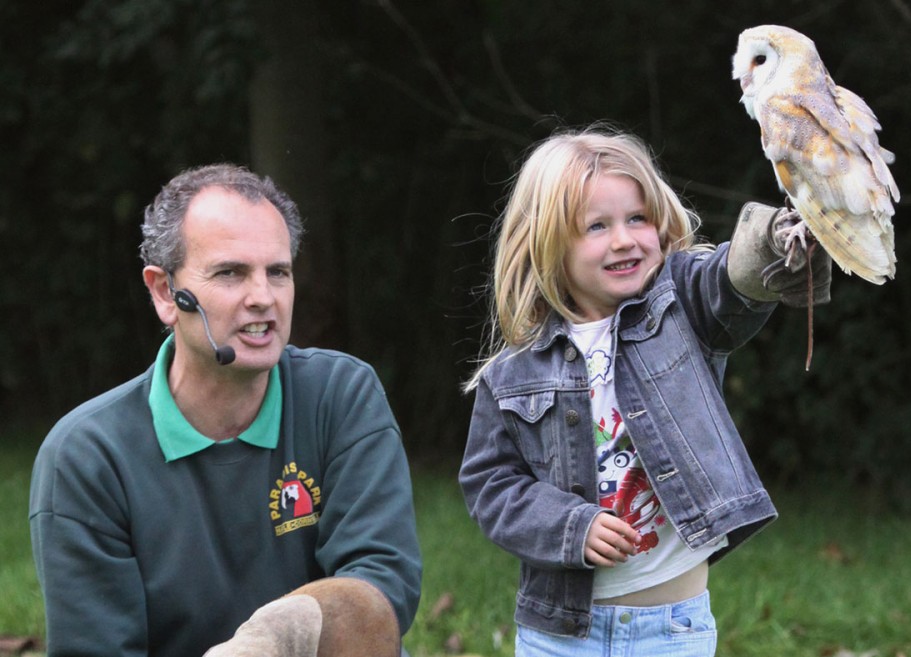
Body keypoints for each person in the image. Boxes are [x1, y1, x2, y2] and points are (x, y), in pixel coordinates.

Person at [459, 127, 830, 656]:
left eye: (637, 218)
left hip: (672, 630)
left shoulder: (680, 307)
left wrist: (773, 243)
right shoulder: (513, 372)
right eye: (597, 226)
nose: (624, 239)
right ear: (548, 243)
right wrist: (571, 526)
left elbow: (727, 284)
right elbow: (490, 485)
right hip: (559, 637)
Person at [29, 164, 422, 657]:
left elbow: (381, 588)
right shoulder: (87, 456)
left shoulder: (341, 395)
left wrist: (272, 639)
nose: (263, 298)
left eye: (278, 272)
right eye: (230, 272)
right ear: (164, 292)